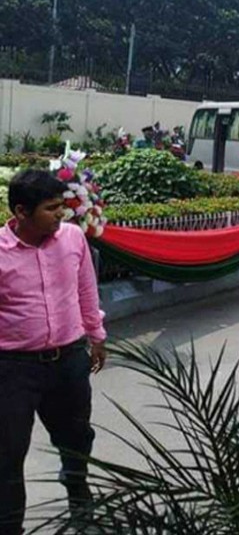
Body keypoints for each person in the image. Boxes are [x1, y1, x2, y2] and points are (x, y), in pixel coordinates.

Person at [0, 169, 107, 534]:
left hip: (69, 362)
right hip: (13, 370)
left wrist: (96, 335)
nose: (61, 214)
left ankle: (79, 500)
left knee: (77, 440)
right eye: (51, 208)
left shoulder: (73, 239)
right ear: (21, 211)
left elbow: (86, 290)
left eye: (63, 205)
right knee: (7, 456)